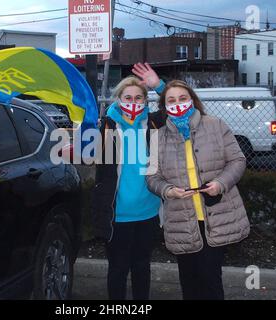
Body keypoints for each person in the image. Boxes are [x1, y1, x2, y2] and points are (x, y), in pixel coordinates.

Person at [146, 80, 250, 300]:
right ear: (164, 106)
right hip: (182, 220)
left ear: (192, 100)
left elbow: (237, 161)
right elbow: (152, 177)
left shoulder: (216, 125)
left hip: (216, 217)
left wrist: (220, 183)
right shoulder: (158, 137)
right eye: (171, 100)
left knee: (210, 279)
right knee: (189, 281)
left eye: (182, 98)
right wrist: (168, 190)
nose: (178, 104)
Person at [91, 63, 165, 300]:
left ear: (145, 100)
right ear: (118, 99)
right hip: (118, 214)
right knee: (118, 270)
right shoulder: (106, 125)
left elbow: (182, 107)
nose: (133, 101)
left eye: (138, 97)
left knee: (142, 268)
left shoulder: (153, 123)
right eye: (127, 97)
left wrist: (159, 86)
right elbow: (90, 154)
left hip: (149, 212)